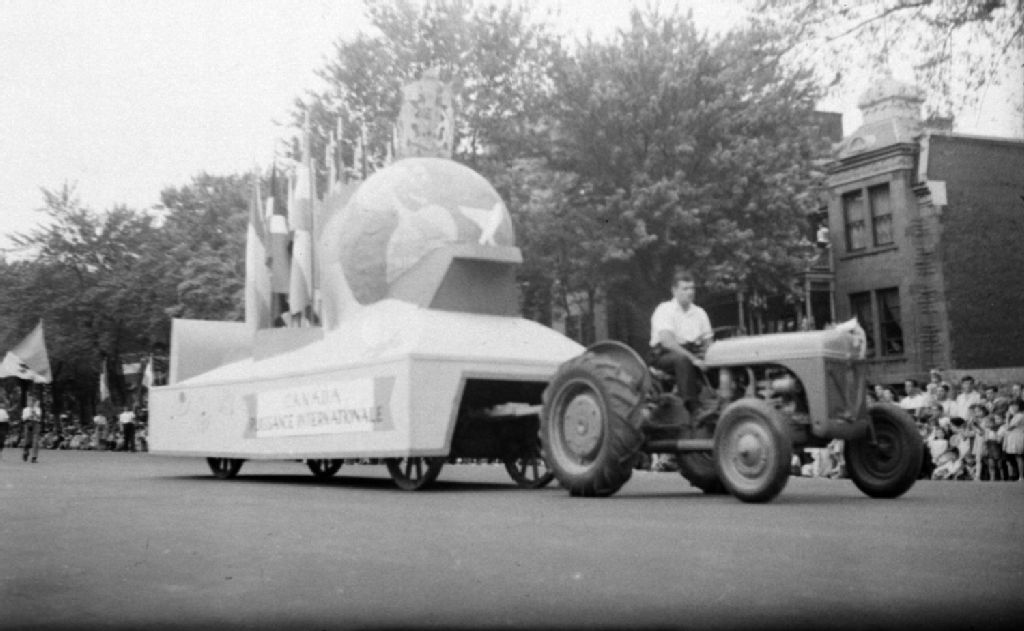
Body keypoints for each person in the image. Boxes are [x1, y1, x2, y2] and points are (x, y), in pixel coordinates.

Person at [649, 269, 714, 415]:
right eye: (685, 289)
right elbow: (668, 342)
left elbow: (708, 341)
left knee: (716, 360)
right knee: (682, 360)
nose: (690, 292)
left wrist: (708, 357)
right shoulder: (664, 310)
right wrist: (694, 360)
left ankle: (724, 399)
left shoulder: (700, 313)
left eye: (692, 288)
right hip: (665, 355)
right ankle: (693, 408)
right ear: (674, 290)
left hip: (693, 352)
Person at [21, 395, 42, 463]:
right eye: (28, 401)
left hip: (36, 424)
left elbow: (39, 417)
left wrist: (34, 412)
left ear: (33, 402)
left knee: (35, 441)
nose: (29, 402)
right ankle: (26, 451)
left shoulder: (38, 409)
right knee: (27, 440)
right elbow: (23, 418)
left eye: (31, 401)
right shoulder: (25, 409)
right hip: (28, 424)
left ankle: (34, 457)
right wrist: (29, 415)